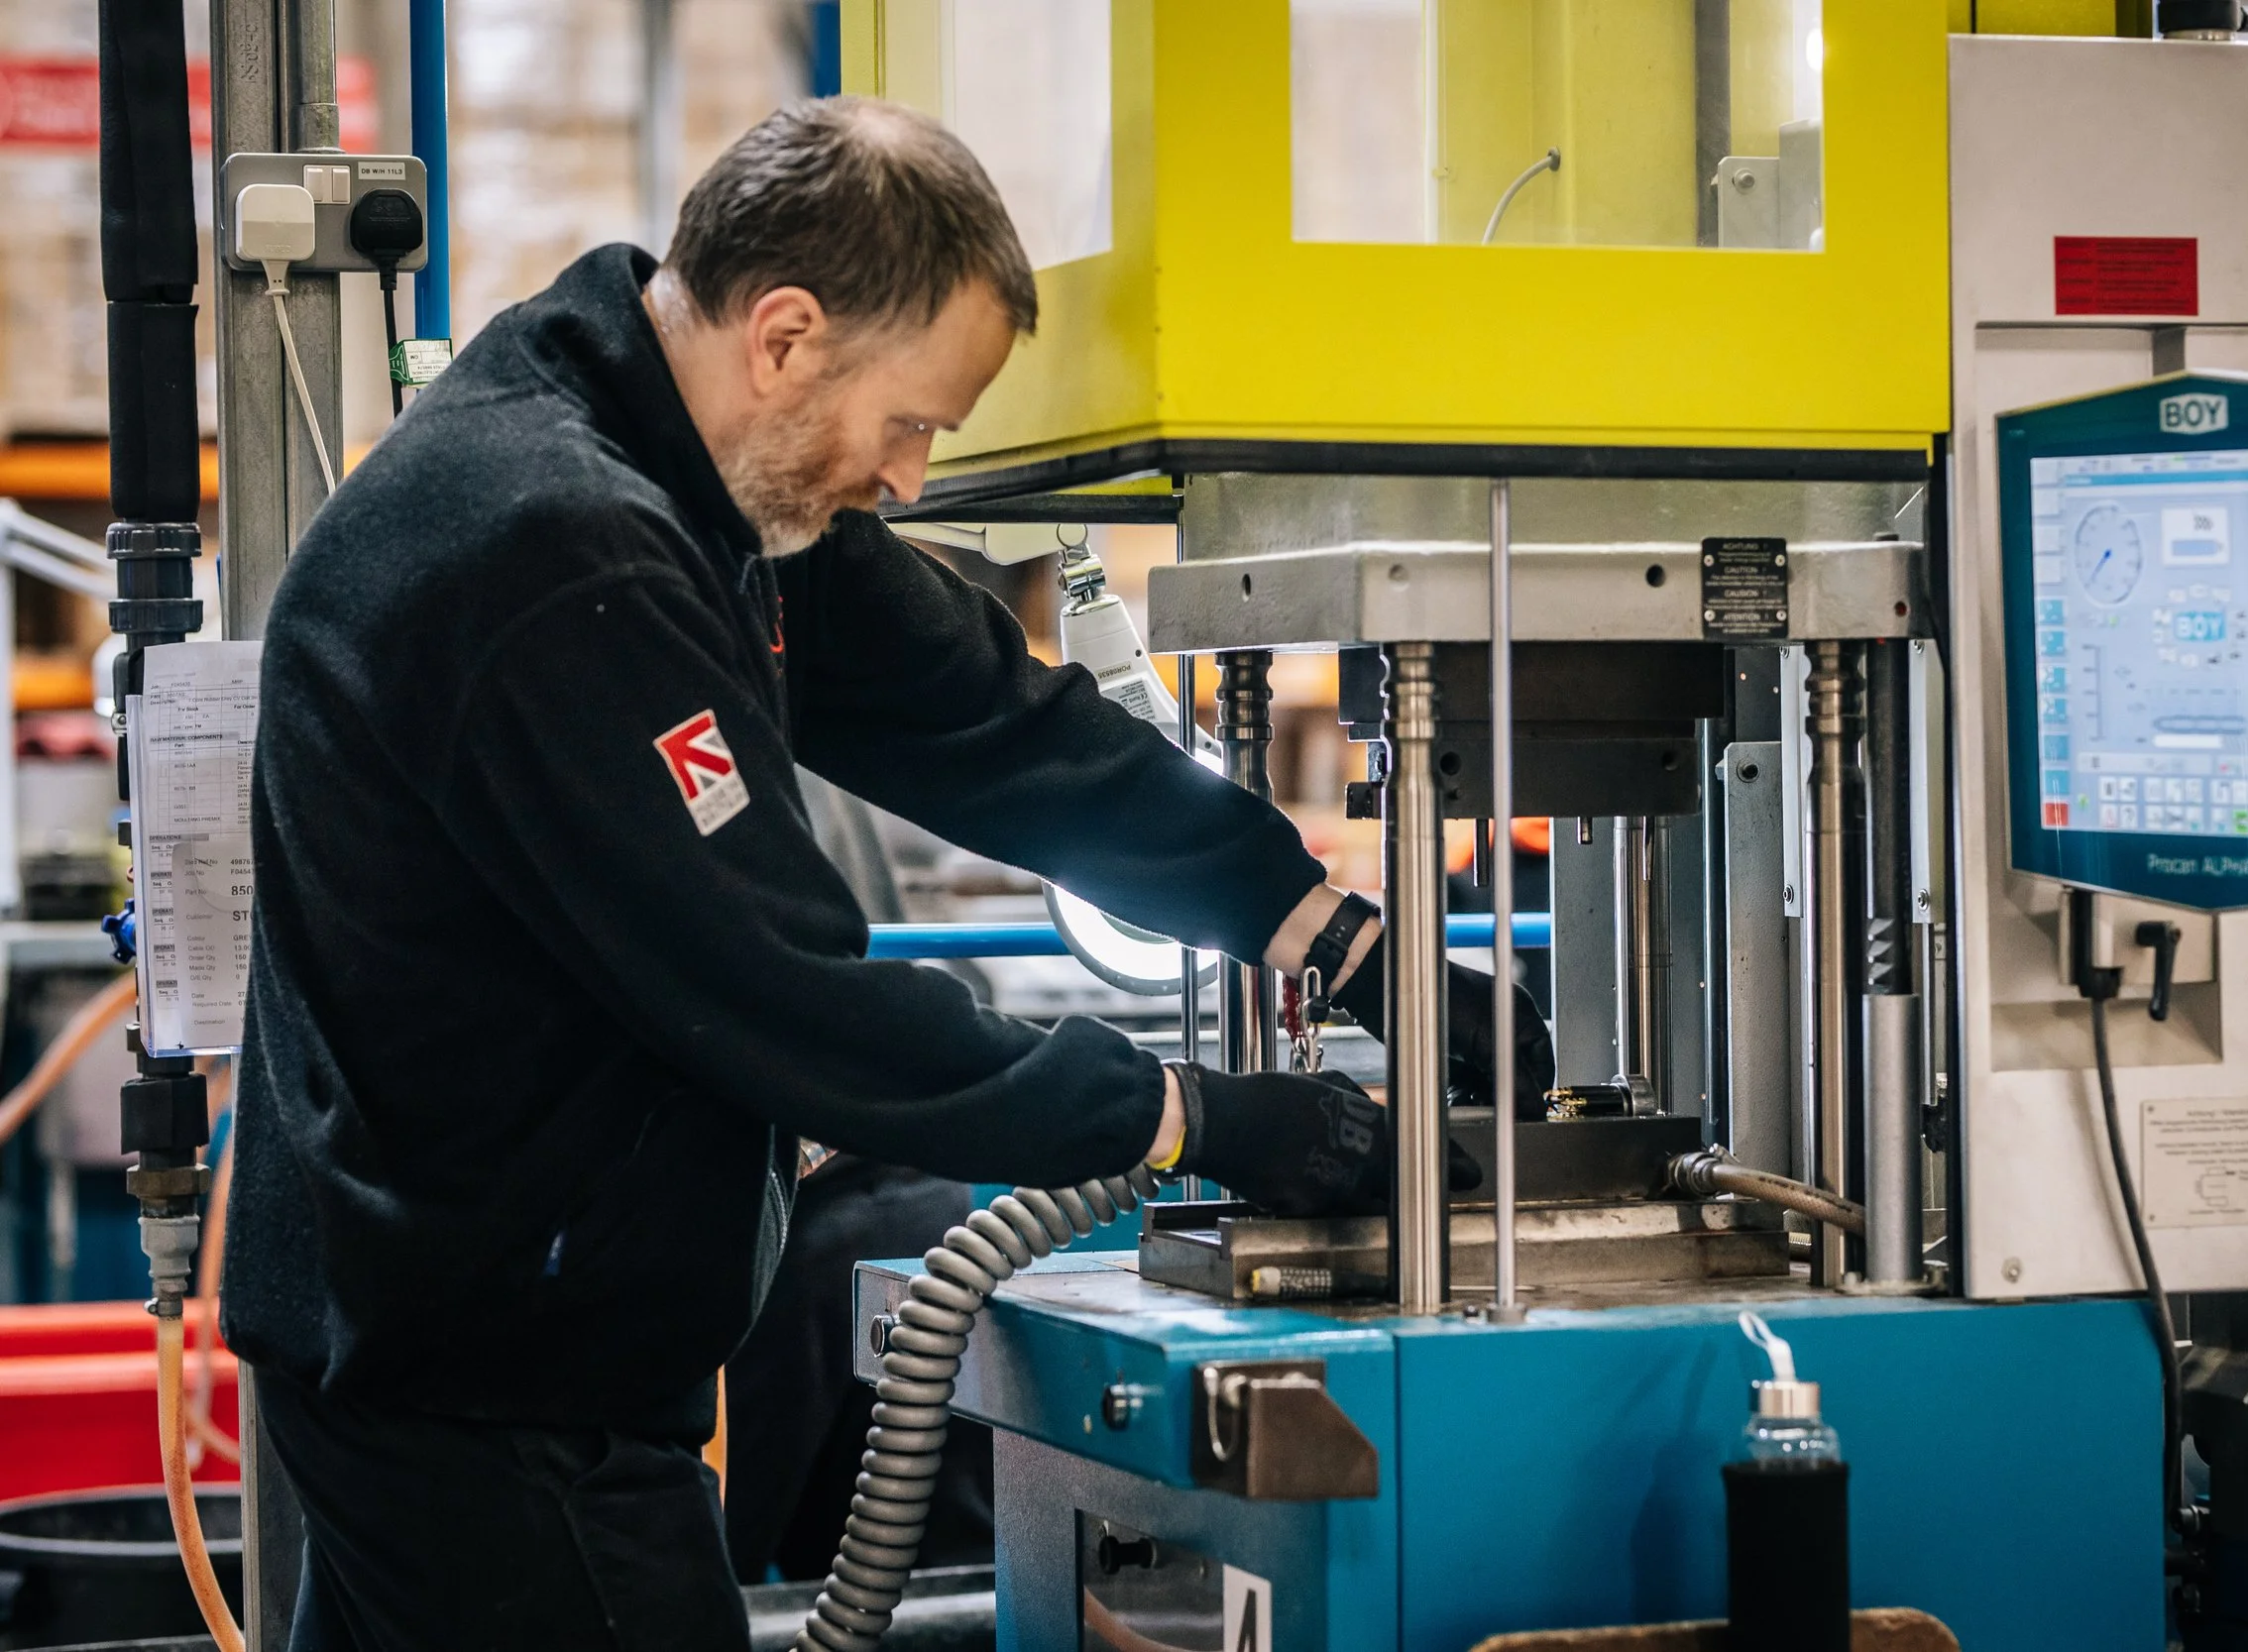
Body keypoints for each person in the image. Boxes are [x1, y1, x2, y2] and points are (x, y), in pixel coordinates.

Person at [219, 97, 1550, 1652]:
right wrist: (1197, 1115)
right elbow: (792, 995)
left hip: (468, 1350)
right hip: (491, 1407)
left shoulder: (694, 472)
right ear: (785, 336)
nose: (912, 479)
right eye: (911, 423)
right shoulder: (556, 547)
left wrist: (1327, 931)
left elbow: (991, 723)